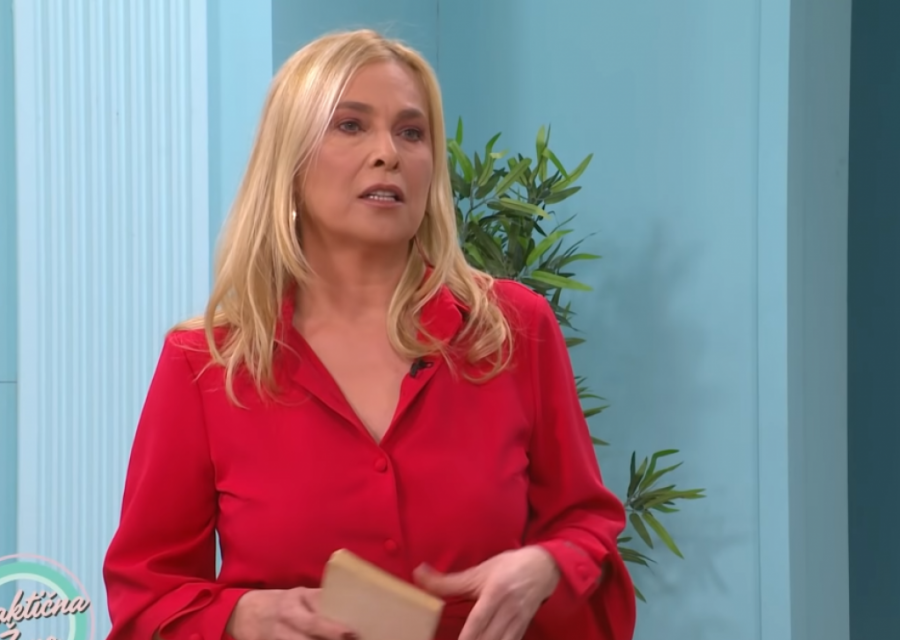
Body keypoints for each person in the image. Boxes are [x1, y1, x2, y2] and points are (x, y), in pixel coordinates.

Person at [102, 28, 636, 640]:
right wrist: (240, 617)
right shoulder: (206, 363)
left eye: (411, 132)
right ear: (290, 162)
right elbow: (147, 597)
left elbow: (586, 531)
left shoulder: (513, 329)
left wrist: (547, 565)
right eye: (351, 125)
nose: (389, 153)